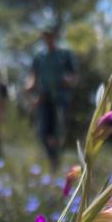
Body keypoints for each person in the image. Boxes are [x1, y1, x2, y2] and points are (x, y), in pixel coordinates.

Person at [26, 23, 77, 170]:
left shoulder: (65, 54)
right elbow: (33, 76)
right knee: (43, 133)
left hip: (60, 98)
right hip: (44, 98)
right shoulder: (39, 57)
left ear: (55, 36)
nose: (47, 38)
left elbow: (74, 75)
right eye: (45, 35)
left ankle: (57, 162)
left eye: (50, 35)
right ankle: (53, 160)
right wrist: (30, 87)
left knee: (57, 131)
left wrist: (69, 80)